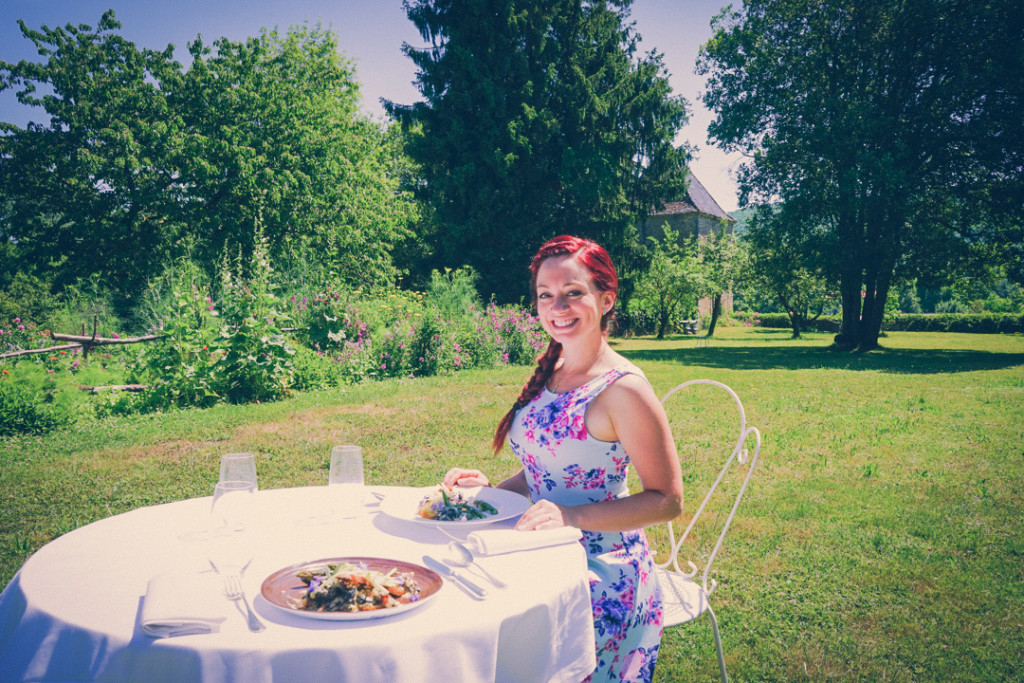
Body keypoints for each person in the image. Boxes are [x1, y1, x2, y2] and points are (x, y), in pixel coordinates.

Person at [444, 235, 684, 682]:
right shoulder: (552, 373)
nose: (558, 306)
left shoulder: (623, 389)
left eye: (574, 292)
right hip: (539, 551)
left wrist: (569, 518)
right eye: (546, 295)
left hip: (600, 575)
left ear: (606, 299)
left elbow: (668, 500)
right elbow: (546, 470)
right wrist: (489, 493)